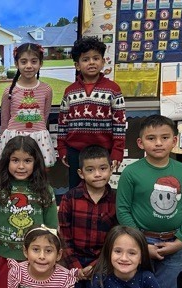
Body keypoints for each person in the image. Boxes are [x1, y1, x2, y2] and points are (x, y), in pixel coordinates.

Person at [116, 114, 182, 288]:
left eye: (165, 137)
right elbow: (123, 210)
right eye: (151, 138)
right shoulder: (131, 173)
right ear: (140, 143)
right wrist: (141, 243)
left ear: (175, 141)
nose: (158, 143)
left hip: (174, 243)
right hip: (140, 243)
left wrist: (180, 241)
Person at [0, 136, 57, 288]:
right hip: (5, 256)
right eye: (15, 160)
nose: (21, 166)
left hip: (35, 258)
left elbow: (52, 228)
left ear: (36, 162)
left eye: (27, 160)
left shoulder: (45, 190)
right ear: (6, 161)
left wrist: (48, 256)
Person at [57, 36, 126, 188]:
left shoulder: (113, 89)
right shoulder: (70, 91)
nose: (91, 62)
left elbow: (119, 123)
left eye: (96, 58)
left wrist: (117, 151)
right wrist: (62, 148)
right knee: (76, 189)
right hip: (75, 152)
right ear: (77, 65)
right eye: (86, 59)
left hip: (103, 151)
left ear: (103, 62)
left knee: (100, 187)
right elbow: (62, 123)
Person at [59, 145, 117, 288]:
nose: (97, 174)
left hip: (102, 261)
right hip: (72, 259)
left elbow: (116, 240)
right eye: (90, 170)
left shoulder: (116, 199)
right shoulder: (70, 198)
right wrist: (76, 268)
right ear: (81, 173)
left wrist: (96, 265)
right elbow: (64, 237)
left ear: (111, 169)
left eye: (103, 168)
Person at [0, 43, 56, 167]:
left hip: (39, 139)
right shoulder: (10, 91)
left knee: (40, 173)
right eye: (24, 62)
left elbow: (44, 116)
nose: (29, 66)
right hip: (14, 139)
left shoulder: (46, 89)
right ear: (17, 64)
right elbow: (4, 120)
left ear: (40, 64)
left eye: (34, 61)